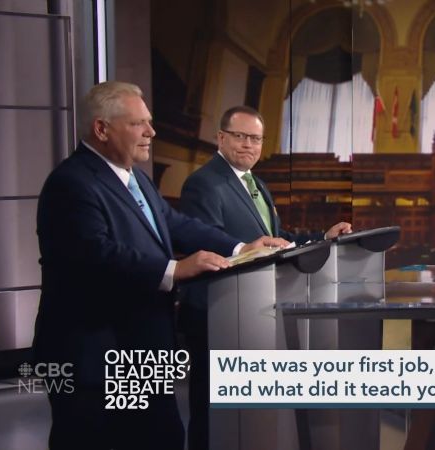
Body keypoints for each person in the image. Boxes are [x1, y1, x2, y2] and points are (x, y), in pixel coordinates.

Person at [33, 81, 285, 449]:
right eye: (139, 124)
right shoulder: (71, 183)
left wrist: (241, 247)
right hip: (96, 352)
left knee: (160, 436)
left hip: (145, 346)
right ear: (102, 129)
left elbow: (177, 224)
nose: (151, 131)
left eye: (149, 122)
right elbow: (95, 255)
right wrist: (173, 270)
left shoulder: (137, 180)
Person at [177, 105, 352, 449]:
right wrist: (243, 248)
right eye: (240, 137)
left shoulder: (256, 184)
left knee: (245, 412)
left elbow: (276, 238)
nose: (248, 145)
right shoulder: (204, 183)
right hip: (217, 310)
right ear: (221, 138)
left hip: (253, 308)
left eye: (255, 138)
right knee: (212, 408)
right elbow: (200, 238)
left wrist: (322, 238)